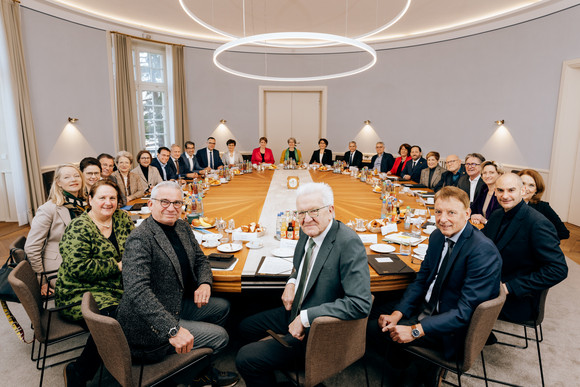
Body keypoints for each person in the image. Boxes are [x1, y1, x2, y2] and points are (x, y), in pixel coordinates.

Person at [236, 182, 372, 387]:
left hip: (318, 329)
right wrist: (291, 282)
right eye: (301, 213)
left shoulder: (348, 242)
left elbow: (360, 304)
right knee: (245, 328)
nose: (306, 219)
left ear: (330, 210)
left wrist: (306, 318)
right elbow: (299, 265)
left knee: (245, 358)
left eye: (314, 211)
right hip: (297, 310)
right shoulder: (308, 230)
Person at [367, 187, 502, 385]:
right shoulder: (437, 236)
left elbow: (464, 313)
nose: (443, 219)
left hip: (450, 327)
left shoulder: (483, 252)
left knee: (373, 331)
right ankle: (408, 363)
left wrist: (414, 330)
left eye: (451, 213)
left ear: (467, 214)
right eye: (438, 212)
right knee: (374, 313)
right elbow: (421, 280)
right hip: (429, 305)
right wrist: (398, 313)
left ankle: (418, 369)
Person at [116, 181, 238, 386]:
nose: (171, 208)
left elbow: (201, 260)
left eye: (177, 203)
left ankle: (196, 363)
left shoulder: (181, 226)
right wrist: (172, 329)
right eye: (165, 202)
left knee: (222, 307)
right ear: (151, 204)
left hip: (174, 302)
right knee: (221, 337)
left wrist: (205, 283)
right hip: (148, 324)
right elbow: (137, 292)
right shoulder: (140, 238)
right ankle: (195, 375)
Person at [57, 180, 134, 385]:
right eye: (102, 197)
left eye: (112, 198)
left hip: (114, 286)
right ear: (90, 199)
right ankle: (78, 371)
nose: (108, 202)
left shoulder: (122, 218)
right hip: (80, 291)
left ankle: (131, 356)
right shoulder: (79, 227)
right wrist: (117, 266)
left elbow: (136, 246)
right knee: (112, 320)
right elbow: (78, 268)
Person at [482, 173, 568, 323]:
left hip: (518, 298)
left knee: (456, 294)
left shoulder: (537, 223)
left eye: (511, 190)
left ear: (522, 191)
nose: (505, 195)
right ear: (494, 192)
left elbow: (559, 269)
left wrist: (509, 287)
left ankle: (467, 342)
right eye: (500, 190)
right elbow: (482, 243)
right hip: (494, 282)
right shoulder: (497, 215)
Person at [24, 164, 87, 296]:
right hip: (59, 266)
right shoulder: (48, 209)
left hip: (84, 259)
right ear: (58, 182)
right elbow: (32, 247)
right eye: (67, 177)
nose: (73, 179)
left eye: (76, 176)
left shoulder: (84, 204)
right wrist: (42, 281)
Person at [517, 169, 569, 240]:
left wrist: (539, 241)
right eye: (522, 183)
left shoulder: (543, 207)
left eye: (531, 185)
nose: (525, 188)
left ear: (536, 190)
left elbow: (563, 233)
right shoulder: (505, 204)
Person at [470, 161, 503, 225]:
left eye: (491, 173)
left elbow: (500, 221)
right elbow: (473, 208)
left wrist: (484, 221)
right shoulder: (483, 189)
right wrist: (474, 217)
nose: (487, 176)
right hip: (480, 227)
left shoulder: (502, 193)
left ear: (499, 174)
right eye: (484, 173)